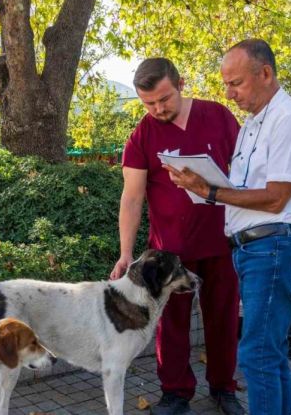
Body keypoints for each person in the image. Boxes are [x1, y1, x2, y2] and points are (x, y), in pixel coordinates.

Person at [164, 39, 291, 415]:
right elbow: (247, 190)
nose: (229, 93)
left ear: (265, 73)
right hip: (254, 249)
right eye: (225, 84)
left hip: (274, 249)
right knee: (269, 355)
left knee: (256, 357)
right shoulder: (254, 124)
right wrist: (201, 185)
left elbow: (275, 198)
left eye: (235, 83)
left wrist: (210, 190)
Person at [110, 58, 244, 415]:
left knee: (223, 319)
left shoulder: (218, 116)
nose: (158, 109)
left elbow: (246, 172)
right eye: (149, 103)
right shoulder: (143, 134)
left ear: (180, 83)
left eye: (164, 99)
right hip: (168, 255)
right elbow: (132, 197)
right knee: (170, 326)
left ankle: (223, 388)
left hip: (221, 243)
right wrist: (126, 254)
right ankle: (175, 394)